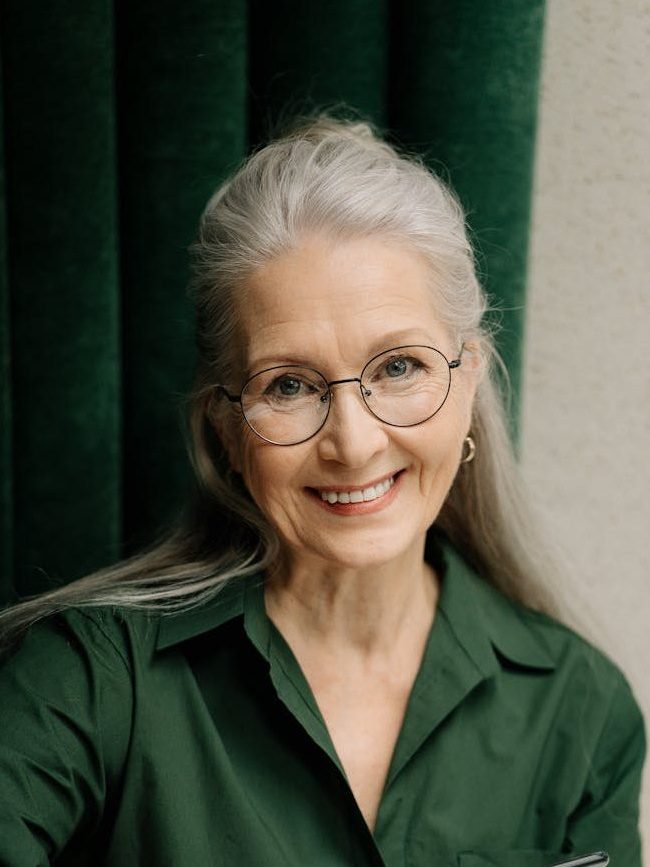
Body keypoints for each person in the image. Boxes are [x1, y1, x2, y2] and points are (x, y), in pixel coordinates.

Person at [0, 114, 645, 867]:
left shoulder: (584, 709)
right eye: (290, 384)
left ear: (467, 381)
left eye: (399, 366)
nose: (353, 442)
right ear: (227, 430)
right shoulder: (88, 677)